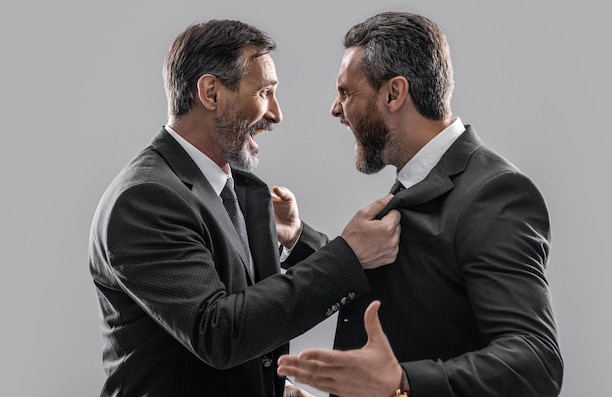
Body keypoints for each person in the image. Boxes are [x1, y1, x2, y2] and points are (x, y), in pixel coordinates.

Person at [88, 19, 401, 397]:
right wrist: (347, 255)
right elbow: (220, 333)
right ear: (211, 92)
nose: (276, 114)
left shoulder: (243, 191)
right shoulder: (144, 199)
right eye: (265, 92)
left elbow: (254, 316)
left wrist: (297, 238)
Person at [277, 11, 563, 397]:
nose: (335, 108)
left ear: (394, 93)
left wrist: (402, 384)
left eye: (346, 92)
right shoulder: (417, 179)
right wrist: (298, 238)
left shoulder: (494, 192)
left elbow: (535, 361)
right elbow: (404, 282)